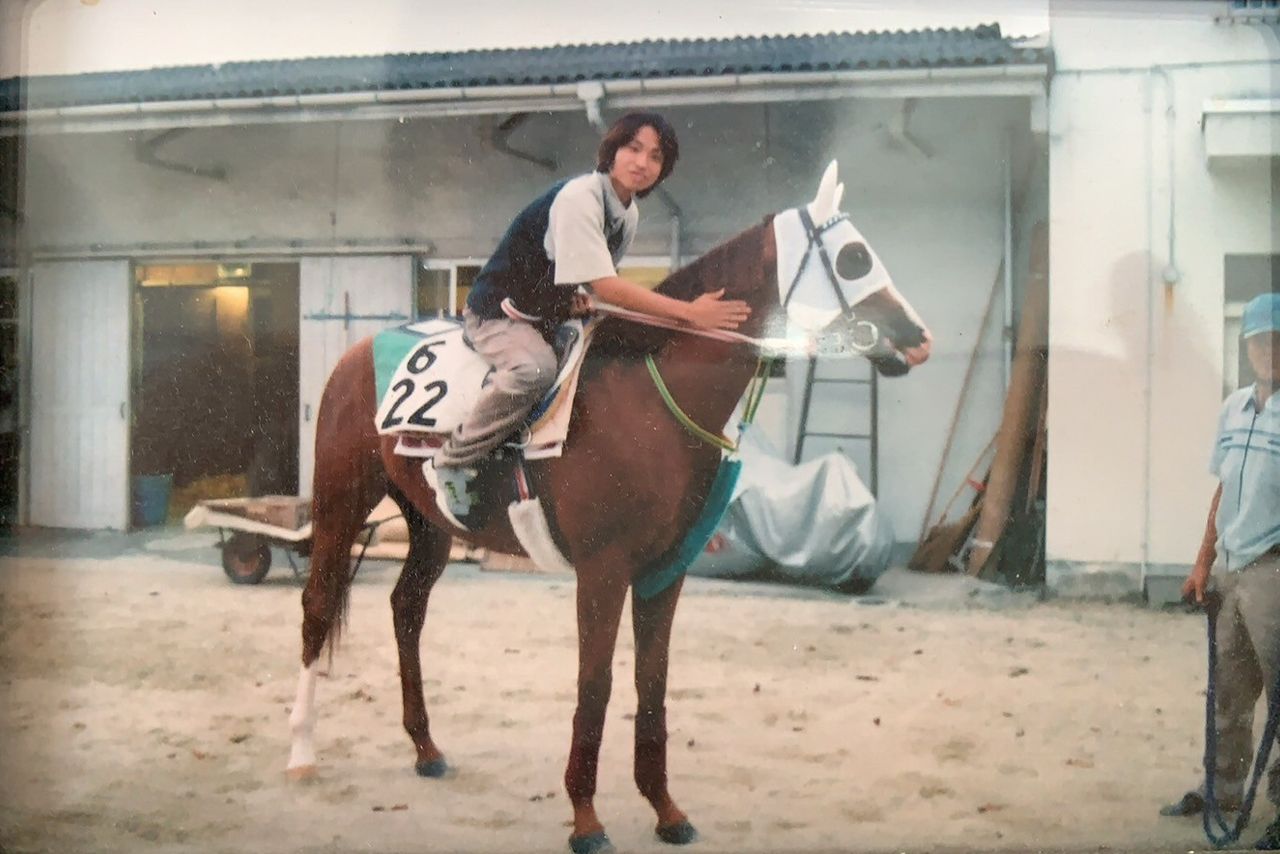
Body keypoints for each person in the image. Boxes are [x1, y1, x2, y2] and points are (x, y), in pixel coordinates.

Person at [432, 111, 751, 515]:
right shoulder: (579, 198)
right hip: (498, 313)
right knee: (534, 371)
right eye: (633, 148)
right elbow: (607, 286)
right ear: (612, 150)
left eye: (655, 156)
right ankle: (454, 459)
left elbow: (589, 277)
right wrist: (689, 314)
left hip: (545, 314)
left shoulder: (627, 214)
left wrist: (576, 296)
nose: (642, 162)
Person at [1161, 292, 1280, 850]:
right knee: (1229, 693)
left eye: (1277, 340)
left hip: (1274, 569)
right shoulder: (1233, 408)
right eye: (1259, 342)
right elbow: (1223, 489)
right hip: (1231, 569)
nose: (1268, 351)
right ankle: (1224, 790)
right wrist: (1202, 561)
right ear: (1246, 348)